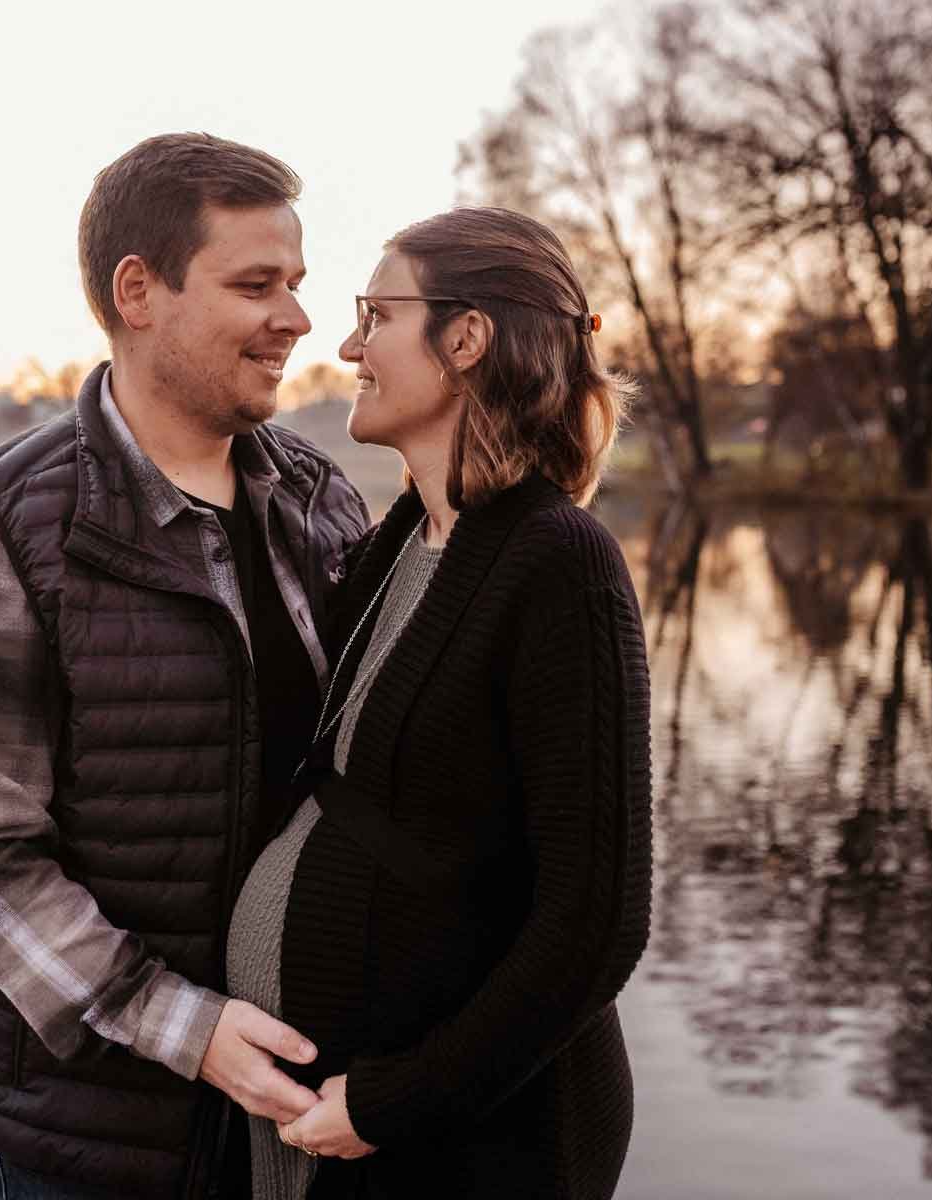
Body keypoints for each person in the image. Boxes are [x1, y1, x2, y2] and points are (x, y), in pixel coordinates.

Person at [0, 132, 370, 1200]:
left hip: (301, 1119)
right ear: (139, 291)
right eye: (255, 284)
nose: (297, 319)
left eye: (296, 284)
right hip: (92, 1138)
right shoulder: (6, 529)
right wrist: (191, 1030)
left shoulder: (321, 498)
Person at [223, 206, 653, 1200]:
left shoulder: (559, 566)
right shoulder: (403, 542)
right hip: (329, 1128)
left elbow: (595, 922)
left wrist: (395, 1101)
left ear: (465, 338)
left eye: (376, 315)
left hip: (461, 1148)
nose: (348, 346)